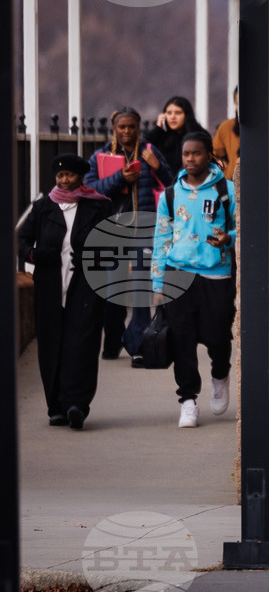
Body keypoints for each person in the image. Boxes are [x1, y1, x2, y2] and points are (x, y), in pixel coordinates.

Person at [18, 154, 112, 429]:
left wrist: (93, 258)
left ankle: (76, 405)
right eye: (60, 175)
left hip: (86, 285)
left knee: (82, 344)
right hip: (49, 286)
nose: (64, 180)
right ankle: (55, 407)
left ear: (81, 177)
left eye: (69, 175)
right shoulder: (42, 207)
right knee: (51, 345)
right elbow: (22, 241)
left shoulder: (99, 206)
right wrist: (34, 255)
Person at [151, 132, 237, 428]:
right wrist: (158, 282)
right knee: (181, 339)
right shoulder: (170, 195)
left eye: (196, 153)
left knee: (218, 335)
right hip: (178, 272)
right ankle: (187, 400)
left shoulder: (226, 190)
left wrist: (229, 238)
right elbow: (162, 237)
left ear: (208, 155)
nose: (190, 159)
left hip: (216, 273)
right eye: (186, 154)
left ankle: (220, 375)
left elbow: (243, 226)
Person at [85, 107, 173, 367]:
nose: (127, 131)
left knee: (140, 287)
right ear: (114, 128)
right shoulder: (101, 156)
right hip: (114, 230)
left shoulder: (149, 151)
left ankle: (138, 346)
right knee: (113, 290)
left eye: (131, 126)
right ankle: (113, 341)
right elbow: (90, 188)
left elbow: (171, 184)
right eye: (122, 127)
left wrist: (157, 167)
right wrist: (119, 178)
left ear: (138, 127)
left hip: (144, 230)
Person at [145, 96, 208, 177]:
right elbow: (142, 146)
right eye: (169, 113)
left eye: (178, 113)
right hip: (165, 181)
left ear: (186, 115)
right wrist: (158, 128)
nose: (172, 117)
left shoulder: (199, 135)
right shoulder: (162, 136)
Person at [213, 86, 240, 180]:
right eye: (238, 104)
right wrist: (224, 167)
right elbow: (214, 153)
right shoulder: (226, 127)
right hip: (231, 180)